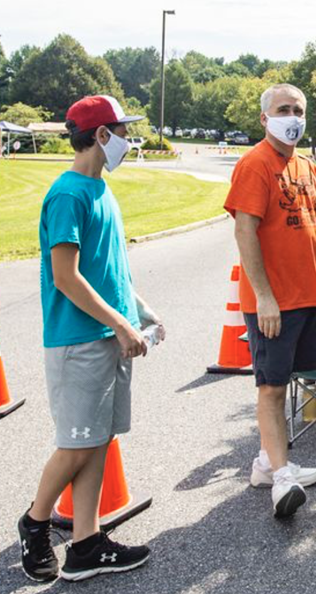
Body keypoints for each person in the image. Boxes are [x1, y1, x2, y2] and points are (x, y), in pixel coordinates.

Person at [19, 95, 164, 583]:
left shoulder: (103, 191)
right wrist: (121, 325)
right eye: (122, 130)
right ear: (101, 136)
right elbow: (66, 277)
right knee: (76, 445)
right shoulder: (68, 194)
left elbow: (110, 273)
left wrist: (139, 312)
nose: (129, 139)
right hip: (78, 340)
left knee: (98, 441)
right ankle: (36, 523)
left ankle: (85, 545)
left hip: (109, 338)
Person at [224, 83, 316, 519]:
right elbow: (244, 231)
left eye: (299, 110)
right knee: (270, 387)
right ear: (264, 118)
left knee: (285, 377)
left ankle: (264, 464)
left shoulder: (306, 165)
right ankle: (282, 477)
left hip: (306, 295)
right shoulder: (254, 164)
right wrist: (265, 297)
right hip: (273, 303)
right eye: (284, 109)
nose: (293, 117)